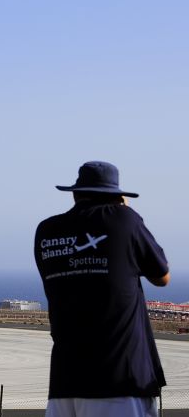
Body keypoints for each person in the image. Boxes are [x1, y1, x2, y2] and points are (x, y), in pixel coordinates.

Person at [34, 161, 170, 417]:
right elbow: (162, 275)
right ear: (116, 196)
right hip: (119, 378)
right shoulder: (124, 220)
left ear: (75, 193)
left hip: (65, 381)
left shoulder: (46, 231)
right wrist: (127, 214)